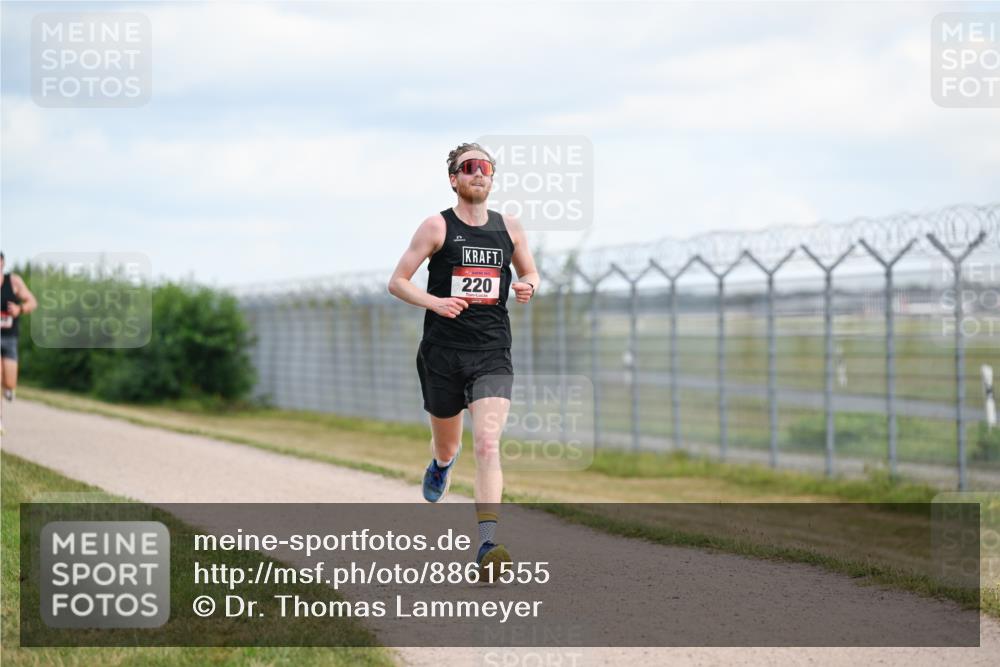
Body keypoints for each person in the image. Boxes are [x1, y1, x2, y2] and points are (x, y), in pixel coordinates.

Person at [388, 142, 539, 580]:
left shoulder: (509, 228)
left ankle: (487, 544)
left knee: (489, 444)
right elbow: (398, 282)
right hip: (442, 353)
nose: (478, 173)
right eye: (468, 167)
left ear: (492, 178)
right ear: (453, 178)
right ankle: (440, 465)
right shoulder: (436, 226)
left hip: (491, 351)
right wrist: (435, 303)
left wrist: (528, 284)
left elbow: (530, 271)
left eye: (486, 167)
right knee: (448, 445)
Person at [0, 252, 39, 430]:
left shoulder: (14, 282)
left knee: (9, 382)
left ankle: (9, 389)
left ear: (3, 263)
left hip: (10, 339)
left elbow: (33, 302)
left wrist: (19, 308)